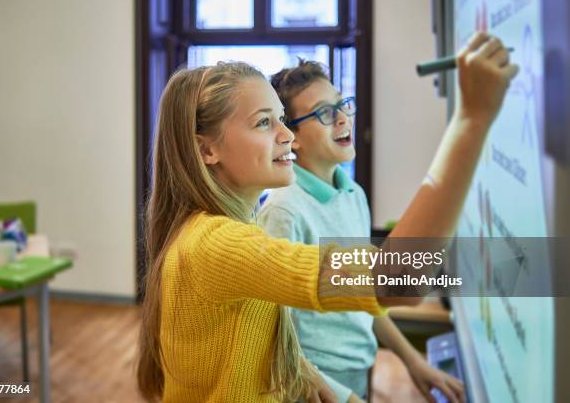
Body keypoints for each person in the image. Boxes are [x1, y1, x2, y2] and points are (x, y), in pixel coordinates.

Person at [136, 32, 517, 402]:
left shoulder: (229, 230)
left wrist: (310, 376)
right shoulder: (217, 243)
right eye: (263, 122)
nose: (287, 135)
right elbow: (399, 279)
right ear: (207, 151)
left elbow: (254, 338)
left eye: (282, 119)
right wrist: (471, 119)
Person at [259, 59, 464, 403]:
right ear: (291, 137)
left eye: (342, 104)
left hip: (358, 372)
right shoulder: (283, 212)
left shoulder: (353, 194)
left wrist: (413, 361)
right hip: (311, 387)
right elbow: (275, 340)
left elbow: (366, 296)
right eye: (325, 112)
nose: (342, 118)